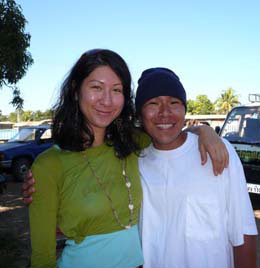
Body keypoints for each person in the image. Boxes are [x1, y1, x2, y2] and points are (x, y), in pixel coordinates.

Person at [24, 49, 228, 268]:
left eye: (116, 90)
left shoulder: (133, 143)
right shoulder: (49, 165)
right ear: (75, 90)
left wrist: (206, 132)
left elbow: (169, 131)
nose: (107, 100)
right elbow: (42, 258)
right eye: (96, 87)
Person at [135, 67, 258, 268]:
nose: (165, 112)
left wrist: (203, 130)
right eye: (153, 103)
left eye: (174, 103)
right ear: (140, 113)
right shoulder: (136, 160)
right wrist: (201, 129)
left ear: (185, 109)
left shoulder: (217, 152)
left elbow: (243, 230)